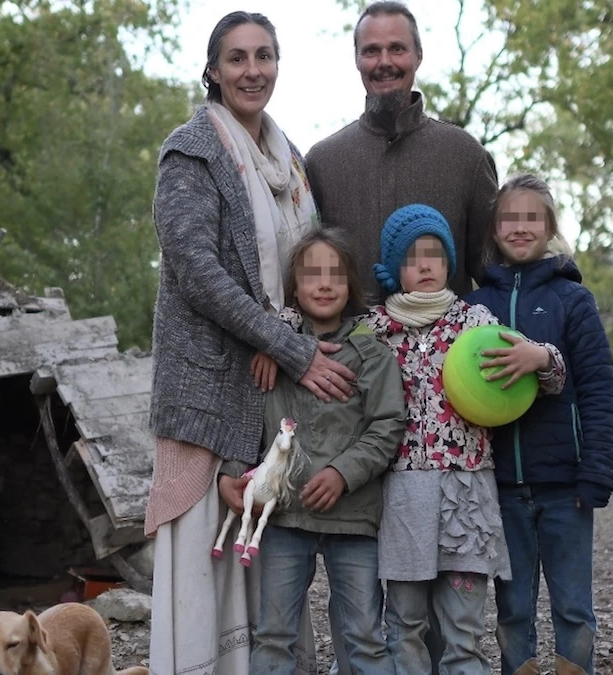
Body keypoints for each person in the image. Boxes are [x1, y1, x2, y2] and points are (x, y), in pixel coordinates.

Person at [145, 12, 355, 675]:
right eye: (236, 58)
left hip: (265, 385)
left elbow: (298, 272)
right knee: (204, 555)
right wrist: (290, 346)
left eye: (264, 56)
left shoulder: (289, 158)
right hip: (206, 387)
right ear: (212, 69)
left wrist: (282, 335)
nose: (252, 70)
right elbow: (198, 274)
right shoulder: (193, 150)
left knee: (267, 555)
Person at [363, 204, 566, 675]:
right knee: (405, 624)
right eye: (413, 257)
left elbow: (548, 376)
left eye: (435, 254)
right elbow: (323, 361)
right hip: (401, 495)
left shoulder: (475, 321)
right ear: (396, 268)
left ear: (449, 261)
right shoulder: (373, 330)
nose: (427, 265)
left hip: (466, 495)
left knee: (464, 629)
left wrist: (542, 357)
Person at [465, 174, 613, 675]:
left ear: (549, 225)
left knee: (573, 607)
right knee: (511, 611)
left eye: (532, 217)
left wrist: (596, 471)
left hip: (565, 484)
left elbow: (598, 390)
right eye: (510, 217)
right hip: (501, 486)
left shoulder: (573, 300)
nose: (520, 227)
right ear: (493, 228)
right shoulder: (473, 307)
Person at [249, 230, 405, 675]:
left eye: (335, 273)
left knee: (364, 638)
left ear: (351, 285)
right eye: (311, 273)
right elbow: (249, 420)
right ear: (294, 285)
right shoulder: (272, 353)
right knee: (274, 635)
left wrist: (341, 473)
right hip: (284, 516)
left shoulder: (371, 353)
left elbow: (388, 425)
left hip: (353, 518)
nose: (323, 283)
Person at [306, 1, 498, 301]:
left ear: (418, 56)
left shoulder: (465, 156)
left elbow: (498, 278)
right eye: (371, 51)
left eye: (397, 48)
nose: (384, 61)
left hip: (448, 346)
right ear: (357, 60)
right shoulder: (322, 163)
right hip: (345, 346)